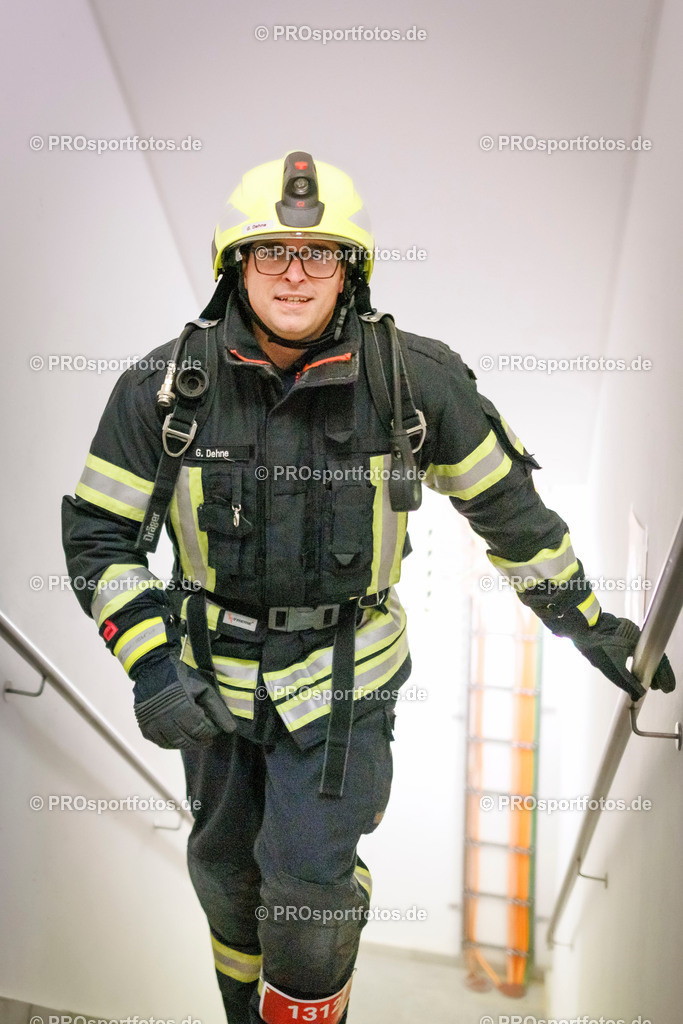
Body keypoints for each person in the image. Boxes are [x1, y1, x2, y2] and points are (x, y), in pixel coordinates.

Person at [62, 151, 675, 1024]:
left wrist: (591, 625)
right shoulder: (162, 390)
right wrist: (152, 664)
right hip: (208, 686)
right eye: (271, 250)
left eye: (321, 252)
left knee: (307, 895)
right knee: (226, 880)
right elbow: (98, 536)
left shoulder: (413, 383)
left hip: (342, 690)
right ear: (233, 262)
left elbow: (511, 517)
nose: (295, 272)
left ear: (353, 267)